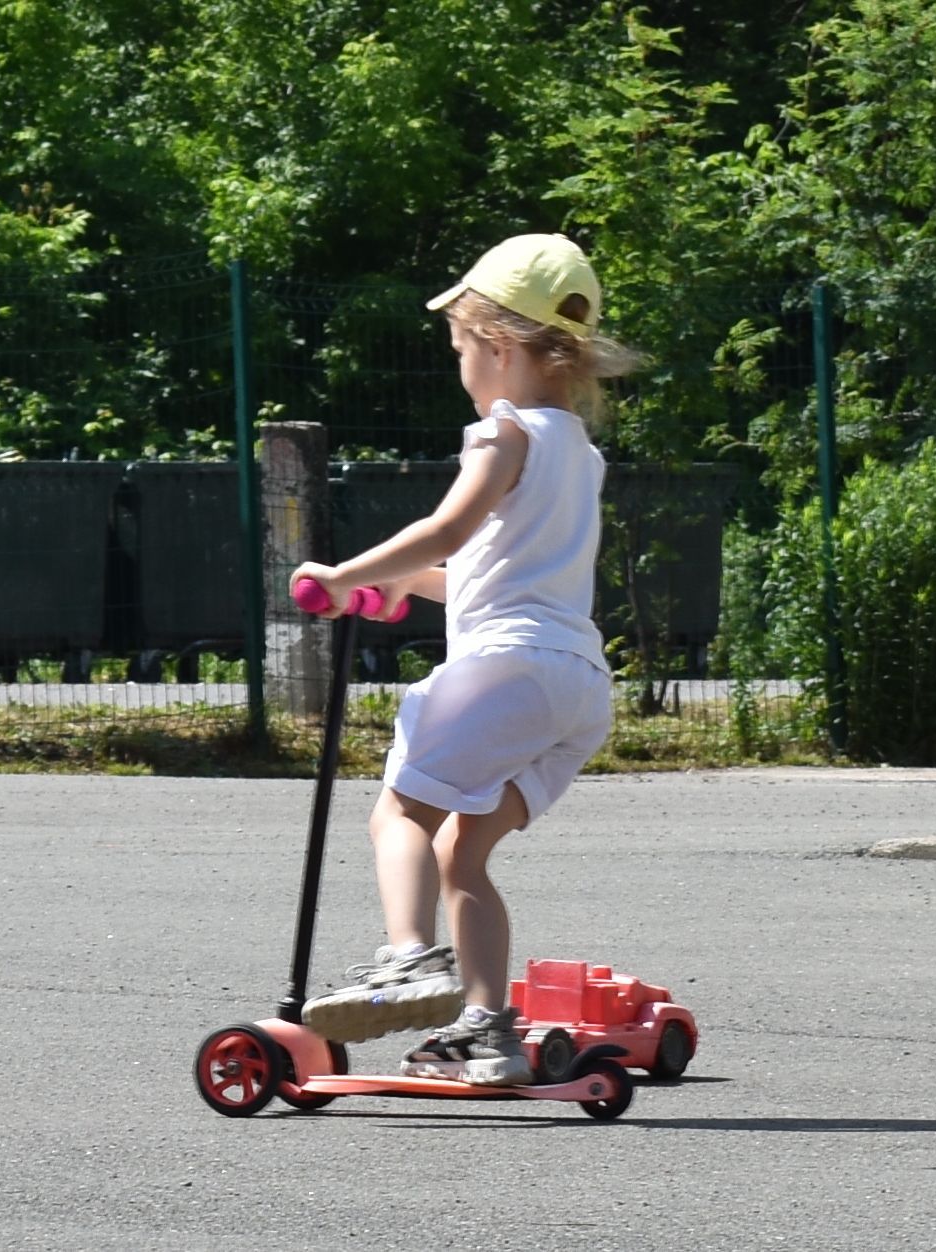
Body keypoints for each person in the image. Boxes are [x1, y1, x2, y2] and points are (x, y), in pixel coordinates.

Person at [290, 233, 637, 1085]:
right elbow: (489, 574)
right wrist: (405, 587)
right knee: (464, 853)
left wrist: (342, 575)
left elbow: (450, 529)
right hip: (575, 687)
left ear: (499, 346)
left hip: (507, 666)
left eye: (460, 350)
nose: (462, 368)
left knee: (399, 815)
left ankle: (410, 960)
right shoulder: (577, 454)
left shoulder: (501, 435)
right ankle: (489, 1031)